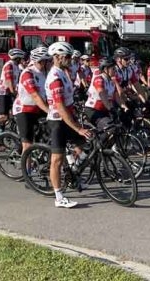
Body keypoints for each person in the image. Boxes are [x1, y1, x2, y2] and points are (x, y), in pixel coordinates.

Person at [45, 42, 93, 208]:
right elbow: (60, 107)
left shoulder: (64, 72)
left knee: (85, 142)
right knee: (56, 160)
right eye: (66, 57)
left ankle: (72, 167)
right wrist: (78, 127)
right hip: (58, 121)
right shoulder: (55, 78)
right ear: (57, 57)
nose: (70, 59)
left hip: (67, 117)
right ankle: (59, 197)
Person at [12, 46, 51, 156]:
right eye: (44, 61)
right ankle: (27, 171)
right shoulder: (28, 73)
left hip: (37, 108)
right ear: (39, 61)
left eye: (48, 61)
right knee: (28, 145)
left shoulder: (45, 73)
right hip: (24, 109)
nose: (47, 64)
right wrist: (49, 111)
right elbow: (35, 95)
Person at [84, 57, 127, 128]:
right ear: (105, 69)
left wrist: (125, 108)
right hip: (93, 110)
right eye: (113, 69)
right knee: (111, 128)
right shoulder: (99, 79)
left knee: (121, 124)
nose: (115, 71)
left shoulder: (112, 81)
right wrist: (111, 109)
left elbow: (117, 97)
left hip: (105, 109)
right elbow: (103, 96)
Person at [0, 48, 25, 133]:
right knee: (3, 116)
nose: (22, 60)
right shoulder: (9, 65)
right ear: (17, 58)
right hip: (2, 93)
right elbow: (9, 81)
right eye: (21, 58)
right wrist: (14, 93)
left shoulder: (16, 66)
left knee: (11, 114)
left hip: (8, 93)